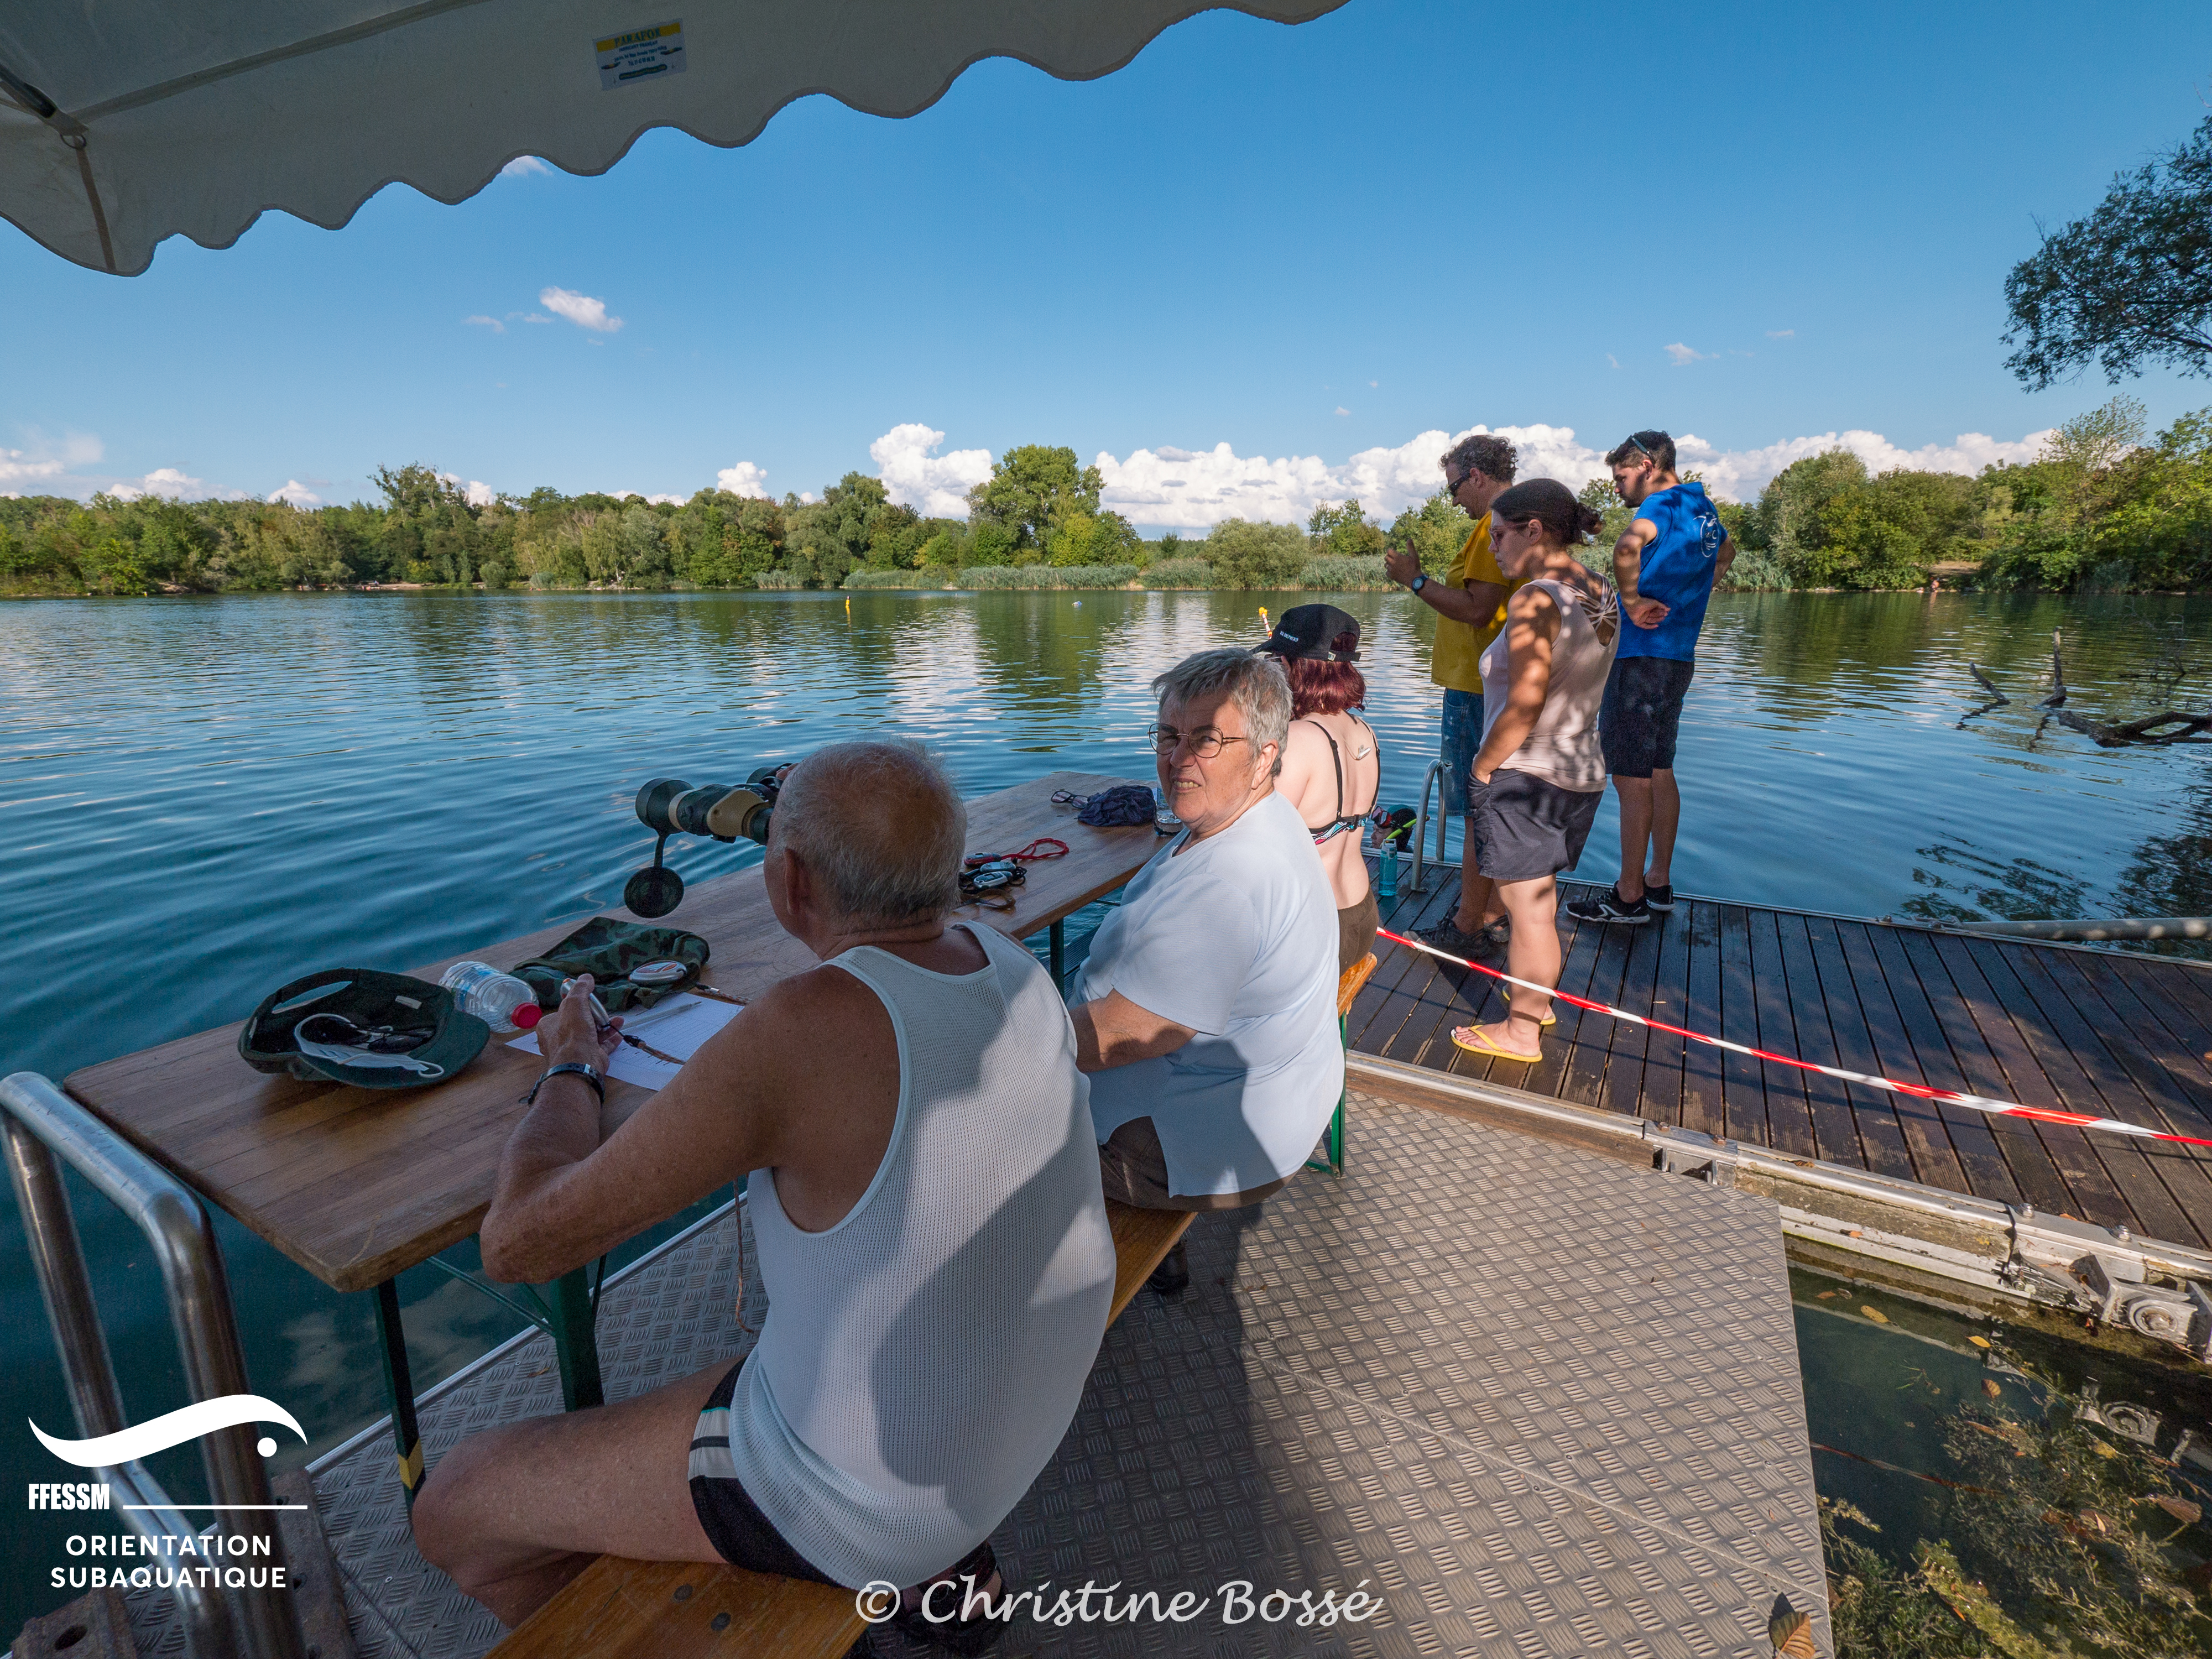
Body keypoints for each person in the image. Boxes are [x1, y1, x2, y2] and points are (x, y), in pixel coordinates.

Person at [412, 742, 1115, 1652]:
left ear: (787, 880)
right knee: (737, 1367)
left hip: (880, 1497)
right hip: (1027, 1411)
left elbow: (520, 1245)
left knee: (457, 1507)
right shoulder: (1007, 957)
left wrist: (572, 1066)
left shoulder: (803, 1025)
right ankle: (939, 1573)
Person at [1069, 646, 1340, 1293]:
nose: (1177, 757)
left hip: (1187, 1137)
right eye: (1168, 735)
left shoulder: (1230, 882)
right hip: (1280, 1092)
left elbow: (1124, 1036)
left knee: (970, 1135)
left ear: (1267, 755)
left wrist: (991, 1047)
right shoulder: (1256, 819)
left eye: (1207, 740)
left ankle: (1022, 1314)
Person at [1447, 479, 1619, 1063]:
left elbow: (1523, 703)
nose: (1492, 548)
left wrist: (1483, 768)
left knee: (1530, 912)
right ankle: (1536, 1001)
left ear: (1533, 530)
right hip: (1581, 766)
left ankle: (1521, 1031)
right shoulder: (1599, 590)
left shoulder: (1534, 600)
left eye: (1499, 535)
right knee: (1538, 904)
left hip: (1528, 770)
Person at [1566, 431, 1736, 926]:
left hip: (1640, 657)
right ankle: (1658, 882)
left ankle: (1628, 896)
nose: (1617, 488)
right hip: (1679, 657)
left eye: (1621, 477)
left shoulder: (1659, 506)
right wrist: (1691, 599)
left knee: (1631, 779)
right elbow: (1725, 555)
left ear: (1646, 464)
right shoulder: (1702, 508)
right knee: (1660, 768)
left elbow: (1625, 549)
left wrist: (1634, 600)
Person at [1381, 432, 1524, 957]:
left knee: (1472, 807)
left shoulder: (1493, 527)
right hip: (1488, 685)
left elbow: (1477, 609)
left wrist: (1415, 581)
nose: (1454, 498)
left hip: (1475, 688)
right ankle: (1492, 915)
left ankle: (1467, 925)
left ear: (1477, 478)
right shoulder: (1505, 525)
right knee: (1491, 806)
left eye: (1454, 488)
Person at [1262, 603, 1382, 973]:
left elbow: (1257, 845)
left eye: (1275, 663)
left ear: (1289, 665)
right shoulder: (1365, 732)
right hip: (1362, 914)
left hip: (1319, 930)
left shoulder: (1298, 740)